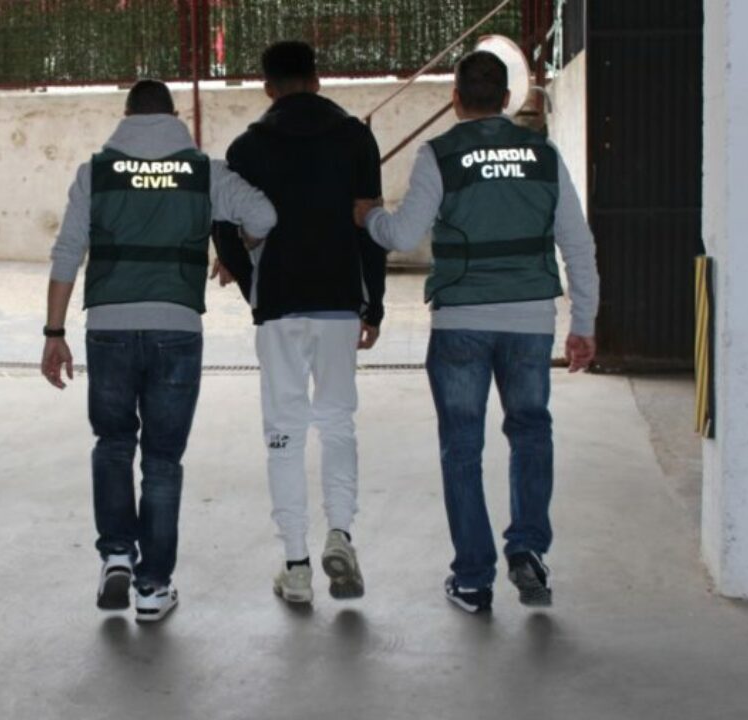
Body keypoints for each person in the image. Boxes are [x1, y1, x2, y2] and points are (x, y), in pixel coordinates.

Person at [356, 51, 599, 614]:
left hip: (461, 323)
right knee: (531, 433)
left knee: (462, 448)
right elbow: (577, 243)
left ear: (455, 98)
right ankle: (528, 549)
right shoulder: (543, 154)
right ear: (508, 99)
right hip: (530, 321)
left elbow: (403, 234)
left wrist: (368, 216)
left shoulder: (439, 154)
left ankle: (472, 579)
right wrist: (583, 322)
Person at [43, 79, 276, 622]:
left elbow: (67, 252)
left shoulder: (95, 173)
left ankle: (116, 556)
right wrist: (236, 249)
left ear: (126, 116)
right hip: (176, 328)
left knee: (112, 444)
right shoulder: (205, 172)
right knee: (163, 460)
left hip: (109, 327)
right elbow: (265, 217)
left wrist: (53, 333)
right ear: (173, 116)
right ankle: (152, 588)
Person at [213, 41, 387, 605]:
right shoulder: (356, 138)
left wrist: (252, 288)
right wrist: (374, 304)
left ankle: (296, 566)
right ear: (317, 79)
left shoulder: (247, 147)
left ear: (268, 88)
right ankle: (341, 534)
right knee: (337, 423)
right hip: (340, 299)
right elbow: (371, 224)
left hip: (279, 305)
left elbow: (223, 223)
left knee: (283, 434)